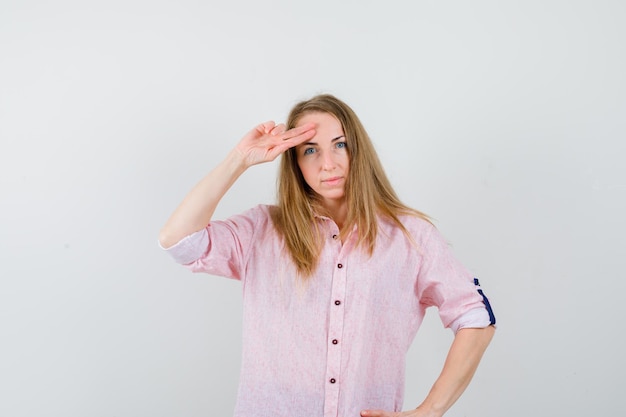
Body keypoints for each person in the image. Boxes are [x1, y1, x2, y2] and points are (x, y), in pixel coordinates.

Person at [159, 94, 496, 417]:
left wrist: (430, 410)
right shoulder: (262, 229)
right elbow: (179, 241)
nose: (328, 164)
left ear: (357, 149)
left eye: (340, 144)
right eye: (310, 150)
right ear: (295, 162)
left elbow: (475, 316)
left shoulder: (410, 238)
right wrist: (240, 159)